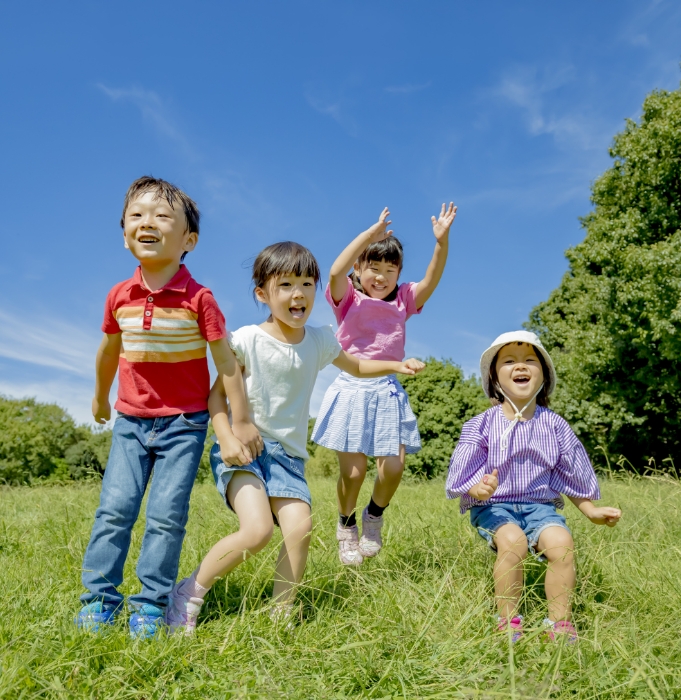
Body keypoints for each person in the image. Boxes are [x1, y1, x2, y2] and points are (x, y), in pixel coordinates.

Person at [166, 242, 425, 634]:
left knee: (300, 529)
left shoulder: (319, 340)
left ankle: (281, 611)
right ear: (262, 294)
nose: (298, 293)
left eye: (306, 283)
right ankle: (188, 592)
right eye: (285, 284)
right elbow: (216, 396)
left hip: (287, 458)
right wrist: (229, 435)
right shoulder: (248, 339)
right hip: (245, 449)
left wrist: (395, 364)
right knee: (257, 531)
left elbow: (355, 364)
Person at [76, 176, 256, 638]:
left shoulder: (200, 300)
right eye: (136, 215)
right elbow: (109, 352)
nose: (147, 222)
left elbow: (227, 364)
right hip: (131, 421)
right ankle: (99, 599)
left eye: (161, 216)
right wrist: (99, 395)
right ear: (124, 234)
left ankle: (151, 605)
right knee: (114, 509)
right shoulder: (119, 296)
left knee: (165, 515)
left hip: (184, 425)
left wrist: (239, 421)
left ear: (188, 240)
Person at [446, 331, 622, 643]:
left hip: (540, 508)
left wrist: (591, 510)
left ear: (544, 375)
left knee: (561, 544)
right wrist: (478, 489)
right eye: (509, 361)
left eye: (530, 360)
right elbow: (465, 472)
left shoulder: (554, 426)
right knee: (512, 542)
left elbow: (568, 476)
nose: (520, 366)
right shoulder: (482, 424)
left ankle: (559, 623)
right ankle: (509, 620)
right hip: (494, 506)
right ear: (494, 378)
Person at [312, 204, 457, 565]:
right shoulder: (347, 299)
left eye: (389, 270)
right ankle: (345, 525)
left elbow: (431, 280)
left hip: (387, 390)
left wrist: (441, 242)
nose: (380, 276)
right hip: (351, 386)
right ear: (359, 270)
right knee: (354, 471)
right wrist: (369, 236)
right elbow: (333, 271)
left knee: (392, 467)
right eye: (373, 268)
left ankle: (373, 515)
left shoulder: (403, 300)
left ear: (398, 274)